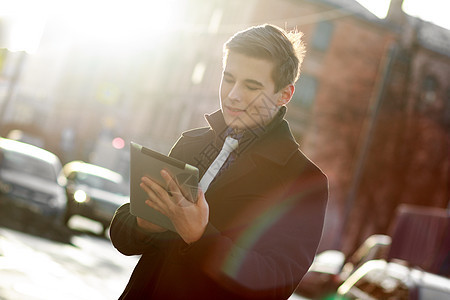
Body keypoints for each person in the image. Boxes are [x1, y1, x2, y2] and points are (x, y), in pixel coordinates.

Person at [110, 24, 329, 300]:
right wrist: (143, 224)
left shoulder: (304, 180)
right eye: (229, 78)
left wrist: (201, 237)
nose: (234, 94)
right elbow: (122, 234)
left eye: (252, 86)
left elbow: (276, 285)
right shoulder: (191, 143)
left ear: (284, 95)